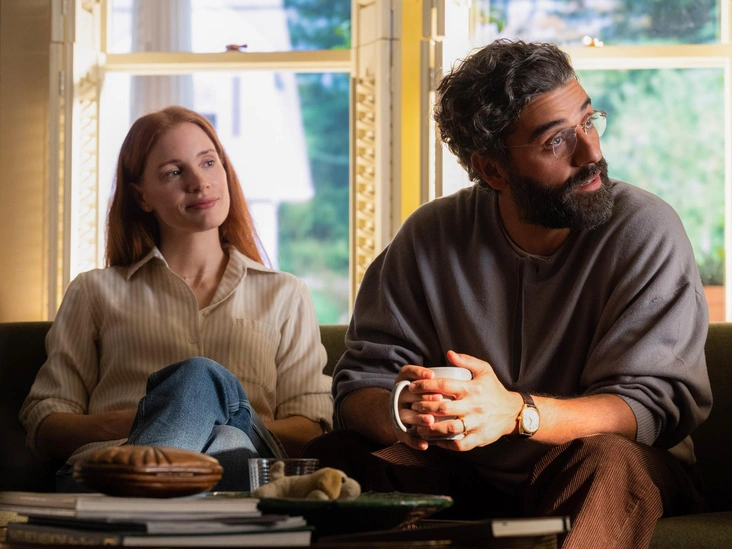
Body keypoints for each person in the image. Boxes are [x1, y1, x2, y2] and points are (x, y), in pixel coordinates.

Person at [302, 40, 712, 548]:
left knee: (604, 461)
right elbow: (359, 386)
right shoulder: (429, 236)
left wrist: (516, 413)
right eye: (556, 141)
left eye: (589, 121)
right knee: (338, 455)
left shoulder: (645, 229)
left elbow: (647, 408)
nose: (591, 153)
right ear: (493, 171)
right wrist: (405, 413)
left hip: (617, 463)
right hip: (468, 474)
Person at [20, 106, 332, 492]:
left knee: (224, 426)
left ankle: (139, 497)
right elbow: (46, 424)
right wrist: (168, 413)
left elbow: (310, 431)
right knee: (217, 418)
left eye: (208, 162)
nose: (199, 183)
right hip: (107, 472)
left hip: (215, 476)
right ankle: (151, 485)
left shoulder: (285, 294)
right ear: (141, 196)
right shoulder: (93, 292)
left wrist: (203, 409)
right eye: (173, 172)